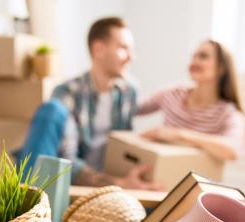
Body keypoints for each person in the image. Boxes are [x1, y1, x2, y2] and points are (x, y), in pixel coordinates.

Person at [17, 17, 163, 190]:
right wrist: (118, 184)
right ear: (98, 49)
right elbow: (66, 159)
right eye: (124, 48)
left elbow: (125, 146)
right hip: (74, 181)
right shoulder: (68, 92)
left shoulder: (129, 91)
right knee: (51, 110)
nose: (132, 57)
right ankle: (30, 206)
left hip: (109, 182)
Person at [137, 40, 245, 161]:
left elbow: (233, 150)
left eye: (203, 56)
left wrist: (178, 135)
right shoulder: (173, 93)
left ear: (221, 67)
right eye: (193, 57)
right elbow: (135, 108)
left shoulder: (228, 113)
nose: (194, 62)